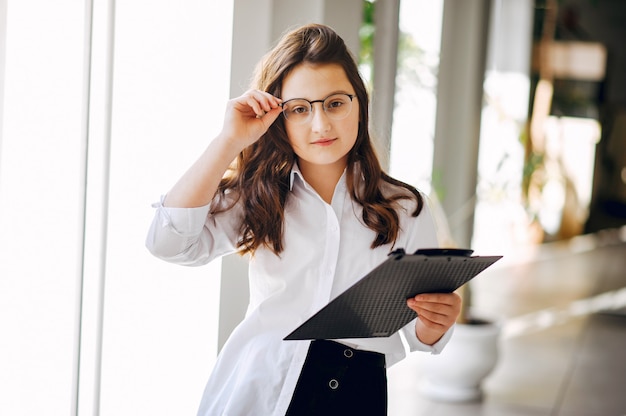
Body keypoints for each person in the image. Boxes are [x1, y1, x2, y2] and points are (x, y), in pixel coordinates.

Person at [146, 23, 461, 416]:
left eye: (335, 103)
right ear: (278, 117)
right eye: (299, 109)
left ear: (359, 104)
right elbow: (168, 243)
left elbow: (412, 331)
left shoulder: (405, 208)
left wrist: (434, 324)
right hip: (255, 393)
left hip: (351, 396)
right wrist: (228, 141)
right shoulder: (257, 195)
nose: (321, 125)